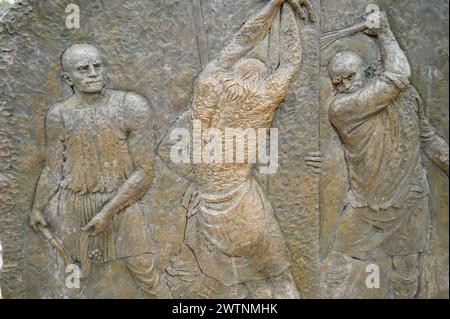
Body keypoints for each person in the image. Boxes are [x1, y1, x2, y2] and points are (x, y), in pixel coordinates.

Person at [158, 0, 316, 298]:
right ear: (259, 79)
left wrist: (273, 5)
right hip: (247, 208)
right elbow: (291, 62)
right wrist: (288, 13)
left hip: (211, 214)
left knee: (245, 287)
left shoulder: (210, 82)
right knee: (280, 282)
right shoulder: (265, 99)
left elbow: (242, 38)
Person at [324, 12, 449, 298]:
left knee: (407, 266)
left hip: (410, 198)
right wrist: (385, 32)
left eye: (349, 77)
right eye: (337, 82)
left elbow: (427, 139)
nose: (343, 86)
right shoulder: (342, 109)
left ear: (367, 71)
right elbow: (399, 75)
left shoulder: (406, 97)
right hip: (367, 204)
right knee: (337, 261)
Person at [29, 44, 170, 298]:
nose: (93, 73)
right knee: (78, 284)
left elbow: (145, 172)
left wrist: (107, 212)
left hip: (123, 207)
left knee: (148, 278)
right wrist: (38, 208)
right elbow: (52, 170)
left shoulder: (131, 106)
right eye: (83, 69)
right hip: (74, 210)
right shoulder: (58, 114)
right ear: (68, 78)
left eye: (97, 66)